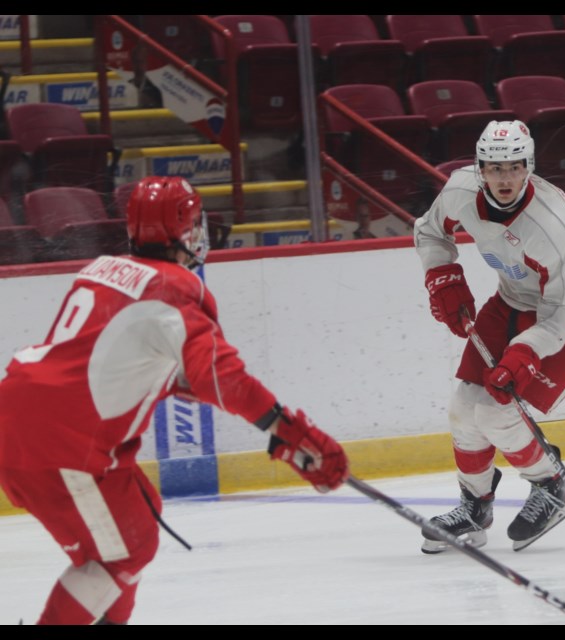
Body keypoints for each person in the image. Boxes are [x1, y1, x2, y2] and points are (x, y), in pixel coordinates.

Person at [0, 176, 349, 625]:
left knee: (136, 518)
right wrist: (293, 433)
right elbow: (224, 381)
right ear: (184, 230)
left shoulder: (103, 269)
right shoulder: (173, 290)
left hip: (25, 418)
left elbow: (118, 362)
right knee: (127, 551)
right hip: (64, 442)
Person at [413, 120, 565, 553]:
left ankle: (551, 486)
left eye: (514, 167)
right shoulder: (461, 190)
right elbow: (429, 231)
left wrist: (524, 352)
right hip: (512, 301)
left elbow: (559, 314)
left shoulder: (552, 224)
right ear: (480, 168)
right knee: (464, 409)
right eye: (495, 168)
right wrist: (442, 277)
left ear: (530, 167)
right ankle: (474, 508)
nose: (504, 178)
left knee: (497, 412)